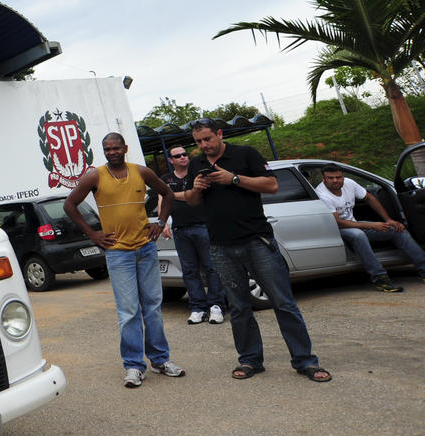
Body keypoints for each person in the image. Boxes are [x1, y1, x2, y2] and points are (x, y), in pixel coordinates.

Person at [186, 119, 331, 382]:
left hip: (256, 241)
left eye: (207, 139)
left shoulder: (245, 154)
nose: (203, 145)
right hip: (221, 246)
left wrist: (234, 179)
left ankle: (305, 361)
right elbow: (194, 202)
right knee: (240, 308)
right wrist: (196, 189)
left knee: (283, 303)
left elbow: (272, 185)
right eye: (198, 142)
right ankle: (250, 360)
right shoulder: (197, 164)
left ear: (220, 134)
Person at [64, 132, 185, 388]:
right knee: (129, 311)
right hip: (118, 253)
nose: (112, 152)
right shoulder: (94, 176)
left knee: (152, 307)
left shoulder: (141, 172)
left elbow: (168, 194)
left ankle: (160, 360)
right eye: (107, 149)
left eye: (116, 148)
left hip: (145, 249)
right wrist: (93, 234)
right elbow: (70, 205)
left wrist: (160, 222)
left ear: (125, 148)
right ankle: (133, 365)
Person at [313, 164, 425, 292]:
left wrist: (388, 219)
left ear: (343, 177)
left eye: (338, 177)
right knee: (358, 235)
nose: (335, 181)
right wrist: (372, 225)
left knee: (396, 229)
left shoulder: (349, 183)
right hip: (336, 229)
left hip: (353, 223)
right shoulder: (322, 194)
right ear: (324, 179)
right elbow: (339, 223)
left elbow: (369, 198)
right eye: (330, 178)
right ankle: (380, 278)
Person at [161, 145, 227, 325]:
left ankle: (216, 306)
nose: (183, 157)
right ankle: (197, 307)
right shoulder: (166, 178)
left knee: (211, 267)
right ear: (171, 160)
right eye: (178, 155)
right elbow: (162, 199)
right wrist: (163, 221)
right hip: (180, 230)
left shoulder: (198, 174)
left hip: (203, 226)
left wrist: (172, 195)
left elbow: (191, 194)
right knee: (189, 271)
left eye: (184, 154)